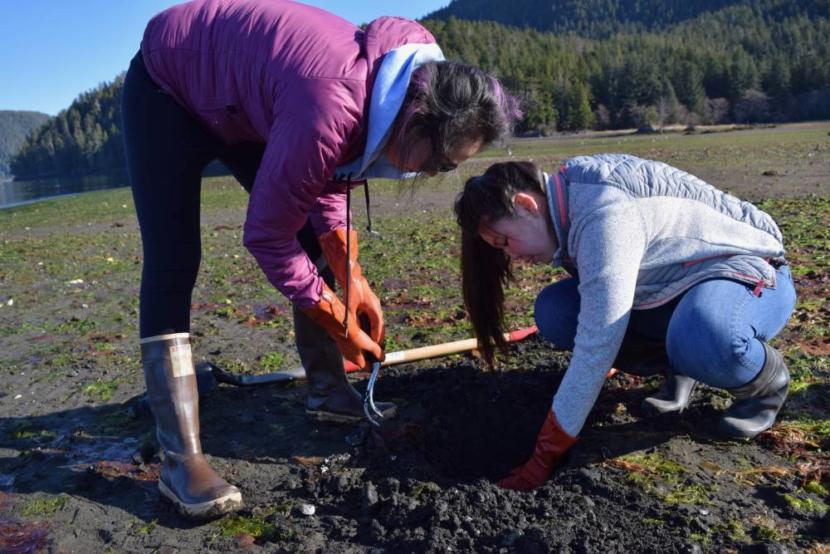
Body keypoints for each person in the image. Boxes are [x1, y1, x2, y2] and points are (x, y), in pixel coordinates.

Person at [121, 0, 519, 518]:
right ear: (418, 122)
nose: (436, 174)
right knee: (175, 259)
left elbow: (330, 179)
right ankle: (180, 461)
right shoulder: (333, 100)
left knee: (314, 235)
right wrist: (336, 319)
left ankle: (328, 390)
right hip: (168, 88)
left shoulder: (388, 94)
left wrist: (353, 281)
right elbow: (267, 235)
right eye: (441, 162)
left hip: (241, 104)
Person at [453, 155, 795, 491]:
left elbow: (598, 341)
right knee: (556, 311)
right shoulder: (566, 203)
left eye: (505, 241)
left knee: (705, 334)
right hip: (672, 289)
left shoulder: (604, 213)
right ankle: (683, 363)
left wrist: (544, 454)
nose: (511, 255)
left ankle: (765, 386)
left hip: (747, 273)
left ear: (526, 204)